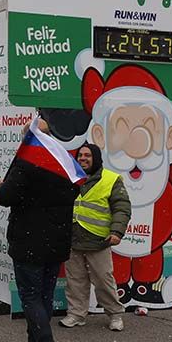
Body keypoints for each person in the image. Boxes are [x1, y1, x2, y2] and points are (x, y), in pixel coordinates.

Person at [0, 118, 81, 342]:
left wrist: (1, 187)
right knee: (42, 296)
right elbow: (75, 191)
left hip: (29, 241)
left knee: (31, 297)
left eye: (27, 135)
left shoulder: (27, 162)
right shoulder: (64, 163)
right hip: (55, 243)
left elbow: (5, 197)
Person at [60, 142, 130, 331]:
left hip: (99, 240)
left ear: (96, 158)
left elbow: (122, 208)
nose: (82, 158)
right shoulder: (71, 178)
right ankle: (76, 314)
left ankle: (115, 314)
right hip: (73, 239)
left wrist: (116, 232)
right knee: (75, 281)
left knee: (103, 280)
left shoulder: (111, 179)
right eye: (80, 155)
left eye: (87, 155)